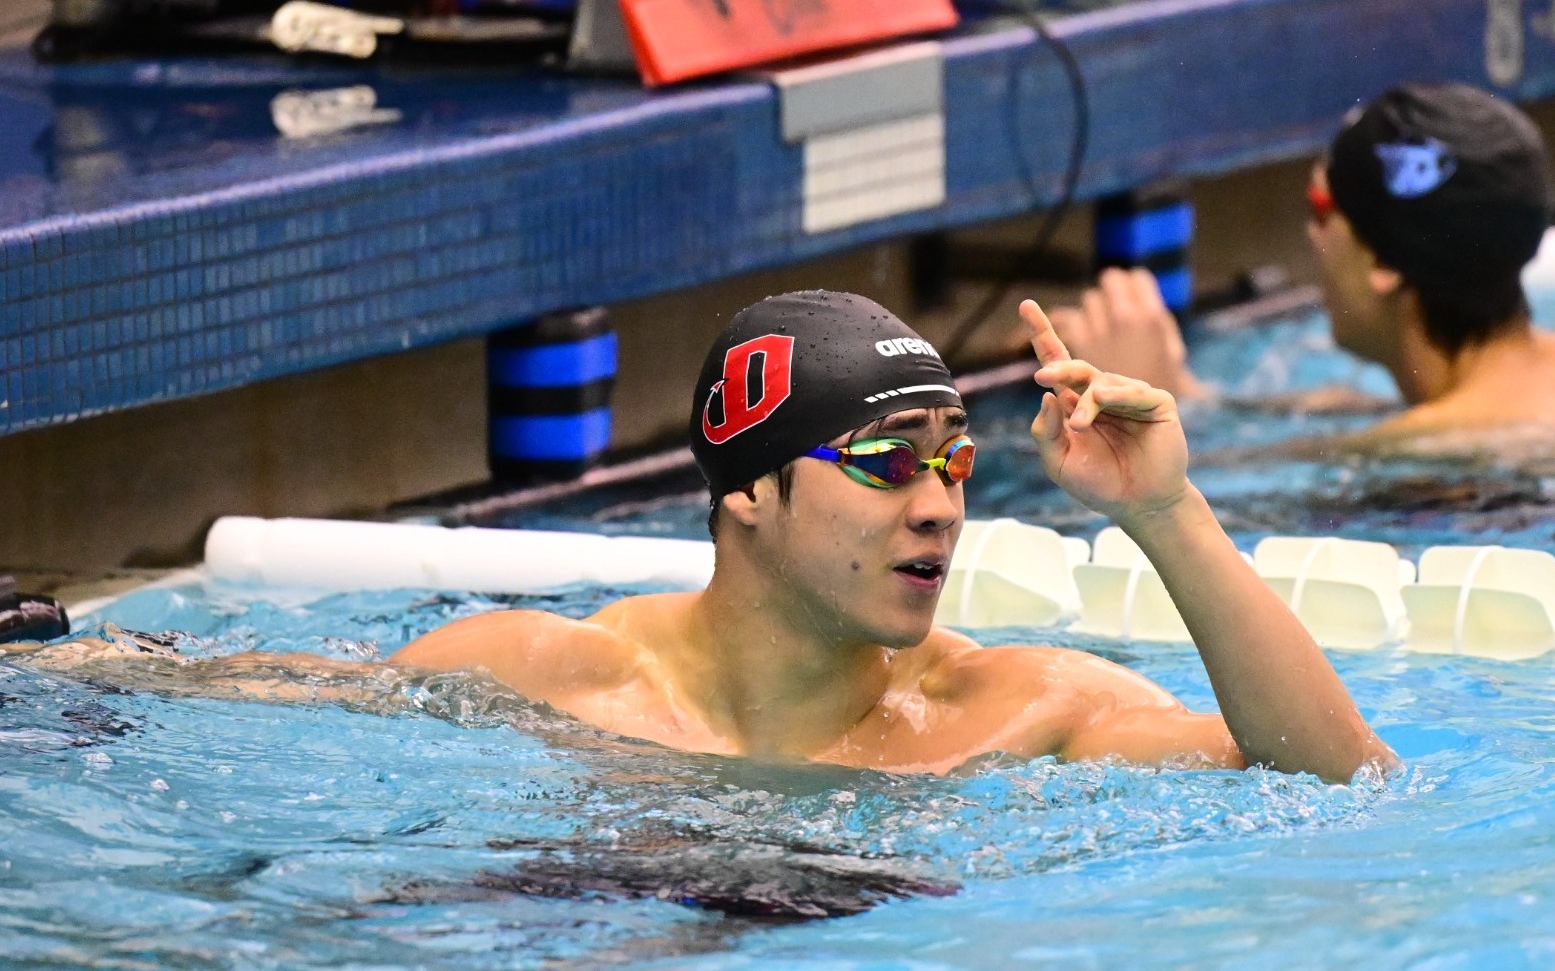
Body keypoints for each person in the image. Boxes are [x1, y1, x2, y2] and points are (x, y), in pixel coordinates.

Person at [388, 290, 1394, 782]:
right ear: (748, 487)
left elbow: (1339, 776)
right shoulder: (537, 676)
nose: (939, 503)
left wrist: (1164, 510)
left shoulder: (1014, 709)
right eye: (883, 461)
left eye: (953, 459)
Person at [1047, 82, 1555, 444]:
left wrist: (1139, 419)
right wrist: (1185, 396)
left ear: (1383, 259)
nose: (1308, 237)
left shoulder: (1426, 450)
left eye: (1319, 209)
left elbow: (1186, 501)